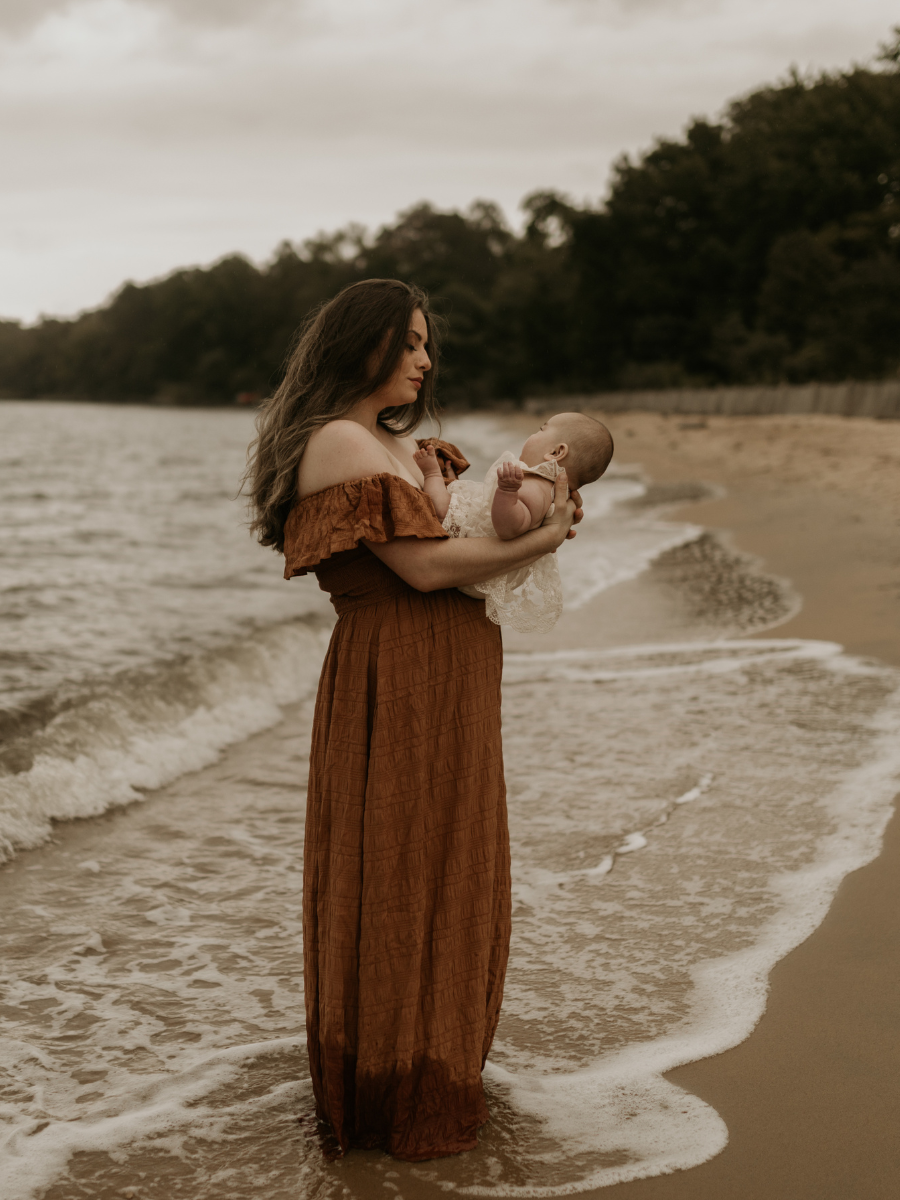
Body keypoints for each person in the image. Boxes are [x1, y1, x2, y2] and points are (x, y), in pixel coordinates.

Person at [244, 278, 581, 1161]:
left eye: (429, 344)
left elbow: (429, 544)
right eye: (414, 342)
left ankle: (427, 1065)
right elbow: (426, 573)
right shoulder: (341, 442)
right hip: (400, 675)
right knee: (401, 872)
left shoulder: (381, 445)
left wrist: (435, 488)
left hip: (439, 675)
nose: (428, 360)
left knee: (440, 866)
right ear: (365, 344)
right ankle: (397, 1092)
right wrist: (545, 538)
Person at [413, 413, 613, 632]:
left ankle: (432, 474)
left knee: (443, 510)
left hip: (476, 560)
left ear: (556, 452)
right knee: (462, 500)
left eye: (541, 429)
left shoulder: (537, 489)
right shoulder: (547, 488)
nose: (533, 434)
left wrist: (507, 491)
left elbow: (509, 528)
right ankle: (447, 485)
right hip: (483, 560)